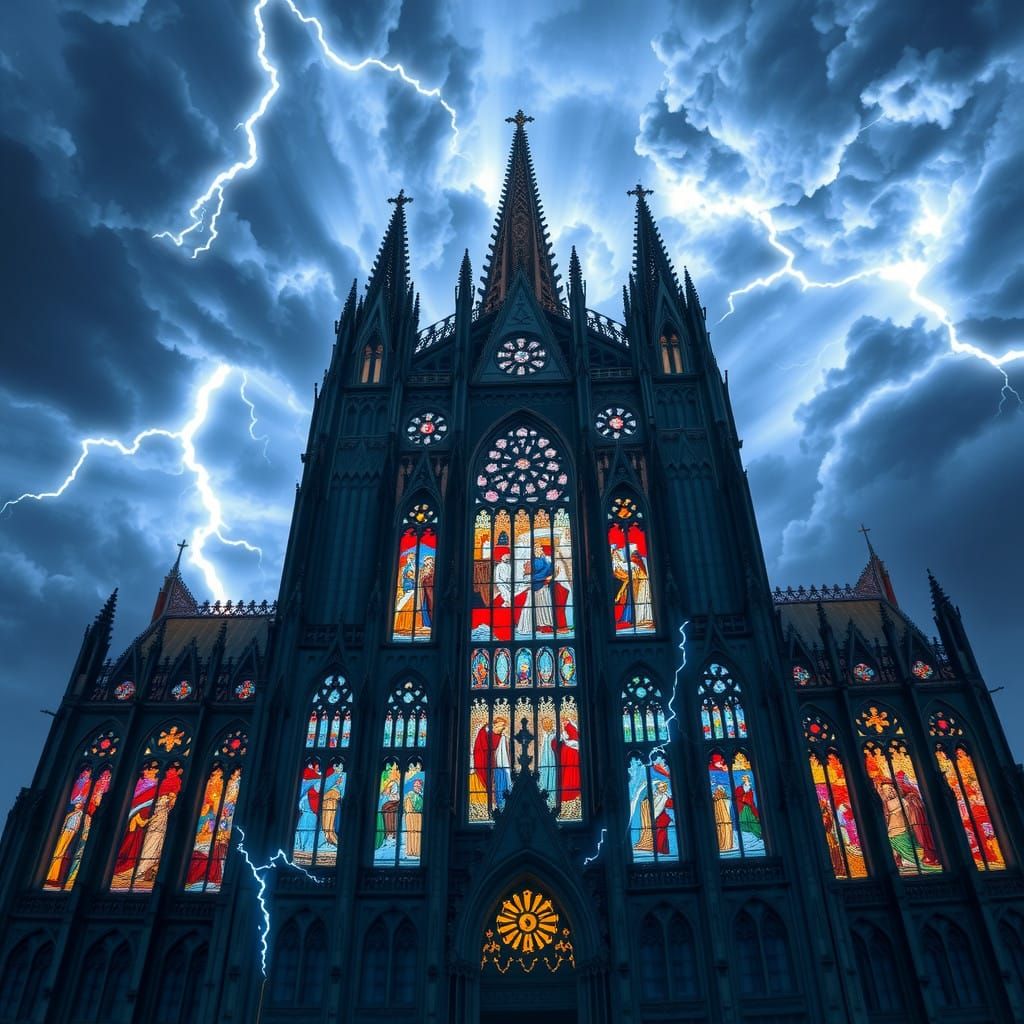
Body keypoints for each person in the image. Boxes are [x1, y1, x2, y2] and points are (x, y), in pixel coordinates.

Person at [111, 763, 160, 889]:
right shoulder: (139, 783)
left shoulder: (160, 784)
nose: (146, 772)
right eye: (146, 770)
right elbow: (135, 799)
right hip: (137, 813)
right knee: (131, 839)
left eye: (150, 770)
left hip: (148, 814)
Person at [135, 765, 183, 889]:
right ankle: (142, 870)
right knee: (151, 843)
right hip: (156, 822)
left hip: (162, 822)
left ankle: (149, 870)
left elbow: (172, 806)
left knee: (158, 844)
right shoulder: (160, 791)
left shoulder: (172, 790)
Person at [44, 769, 90, 889]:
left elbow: (85, 830)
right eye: (76, 803)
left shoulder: (83, 816)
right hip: (67, 833)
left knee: (66, 853)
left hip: (74, 835)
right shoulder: (72, 815)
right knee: (59, 853)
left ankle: (61, 878)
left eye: (79, 803)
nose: (77, 804)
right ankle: (52, 877)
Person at [895, 771, 939, 867]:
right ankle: (929, 856)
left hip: (915, 815)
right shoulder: (911, 788)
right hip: (916, 814)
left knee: (922, 836)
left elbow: (901, 796)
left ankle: (931, 857)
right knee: (923, 836)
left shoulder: (906, 788)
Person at [293, 760, 322, 864]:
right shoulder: (307, 782)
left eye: (318, 767)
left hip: (312, 813)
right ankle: (301, 847)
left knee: (310, 830)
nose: (317, 769)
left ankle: (307, 848)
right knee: (302, 829)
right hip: (306, 813)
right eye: (316, 767)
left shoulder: (318, 779)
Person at [629, 549, 654, 629]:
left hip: (645, 584)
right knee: (641, 601)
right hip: (641, 584)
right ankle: (642, 620)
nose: (634, 560)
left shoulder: (643, 562)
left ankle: (648, 619)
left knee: (646, 600)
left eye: (634, 558)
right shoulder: (640, 562)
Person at [734, 774, 761, 843]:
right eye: (744, 778)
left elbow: (751, 797)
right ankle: (745, 834)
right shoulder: (739, 788)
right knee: (743, 820)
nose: (745, 779)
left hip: (749, 806)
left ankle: (757, 834)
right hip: (742, 806)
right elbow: (737, 796)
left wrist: (747, 798)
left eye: (746, 778)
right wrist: (744, 797)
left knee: (753, 819)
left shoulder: (750, 788)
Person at [538, 715, 558, 807]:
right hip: (544, 761)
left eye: (547, 722)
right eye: (543, 723)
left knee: (552, 776)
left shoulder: (555, 735)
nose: (545, 725)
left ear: (551, 723)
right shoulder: (544, 735)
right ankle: (542, 798)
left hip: (552, 760)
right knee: (543, 776)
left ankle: (552, 799)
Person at [402, 777, 424, 860]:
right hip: (411, 816)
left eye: (418, 786)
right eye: (415, 786)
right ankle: (411, 851)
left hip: (418, 817)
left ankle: (417, 851)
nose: (417, 787)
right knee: (411, 833)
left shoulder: (420, 797)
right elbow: (407, 808)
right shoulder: (410, 795)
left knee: (417, 834)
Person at [652, 780, 674, 855]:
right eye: (660, 787)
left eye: (662, 787)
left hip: (662, 818)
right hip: (658, 818)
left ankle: (662, 850)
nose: (661, 789)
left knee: (662, 834)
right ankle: (660, 850)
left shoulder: (665, 796)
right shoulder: (655, 795)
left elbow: (670, 805)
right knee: (659, 834)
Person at [713, 785, 734, 852]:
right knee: (721, 825)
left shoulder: (720, 800)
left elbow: (717, 797)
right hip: (721, 817)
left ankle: (725, 845)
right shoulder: (720, 800)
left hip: (723, 816)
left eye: (718, 790)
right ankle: (725, 845)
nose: (716, 792)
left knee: (723, 824)